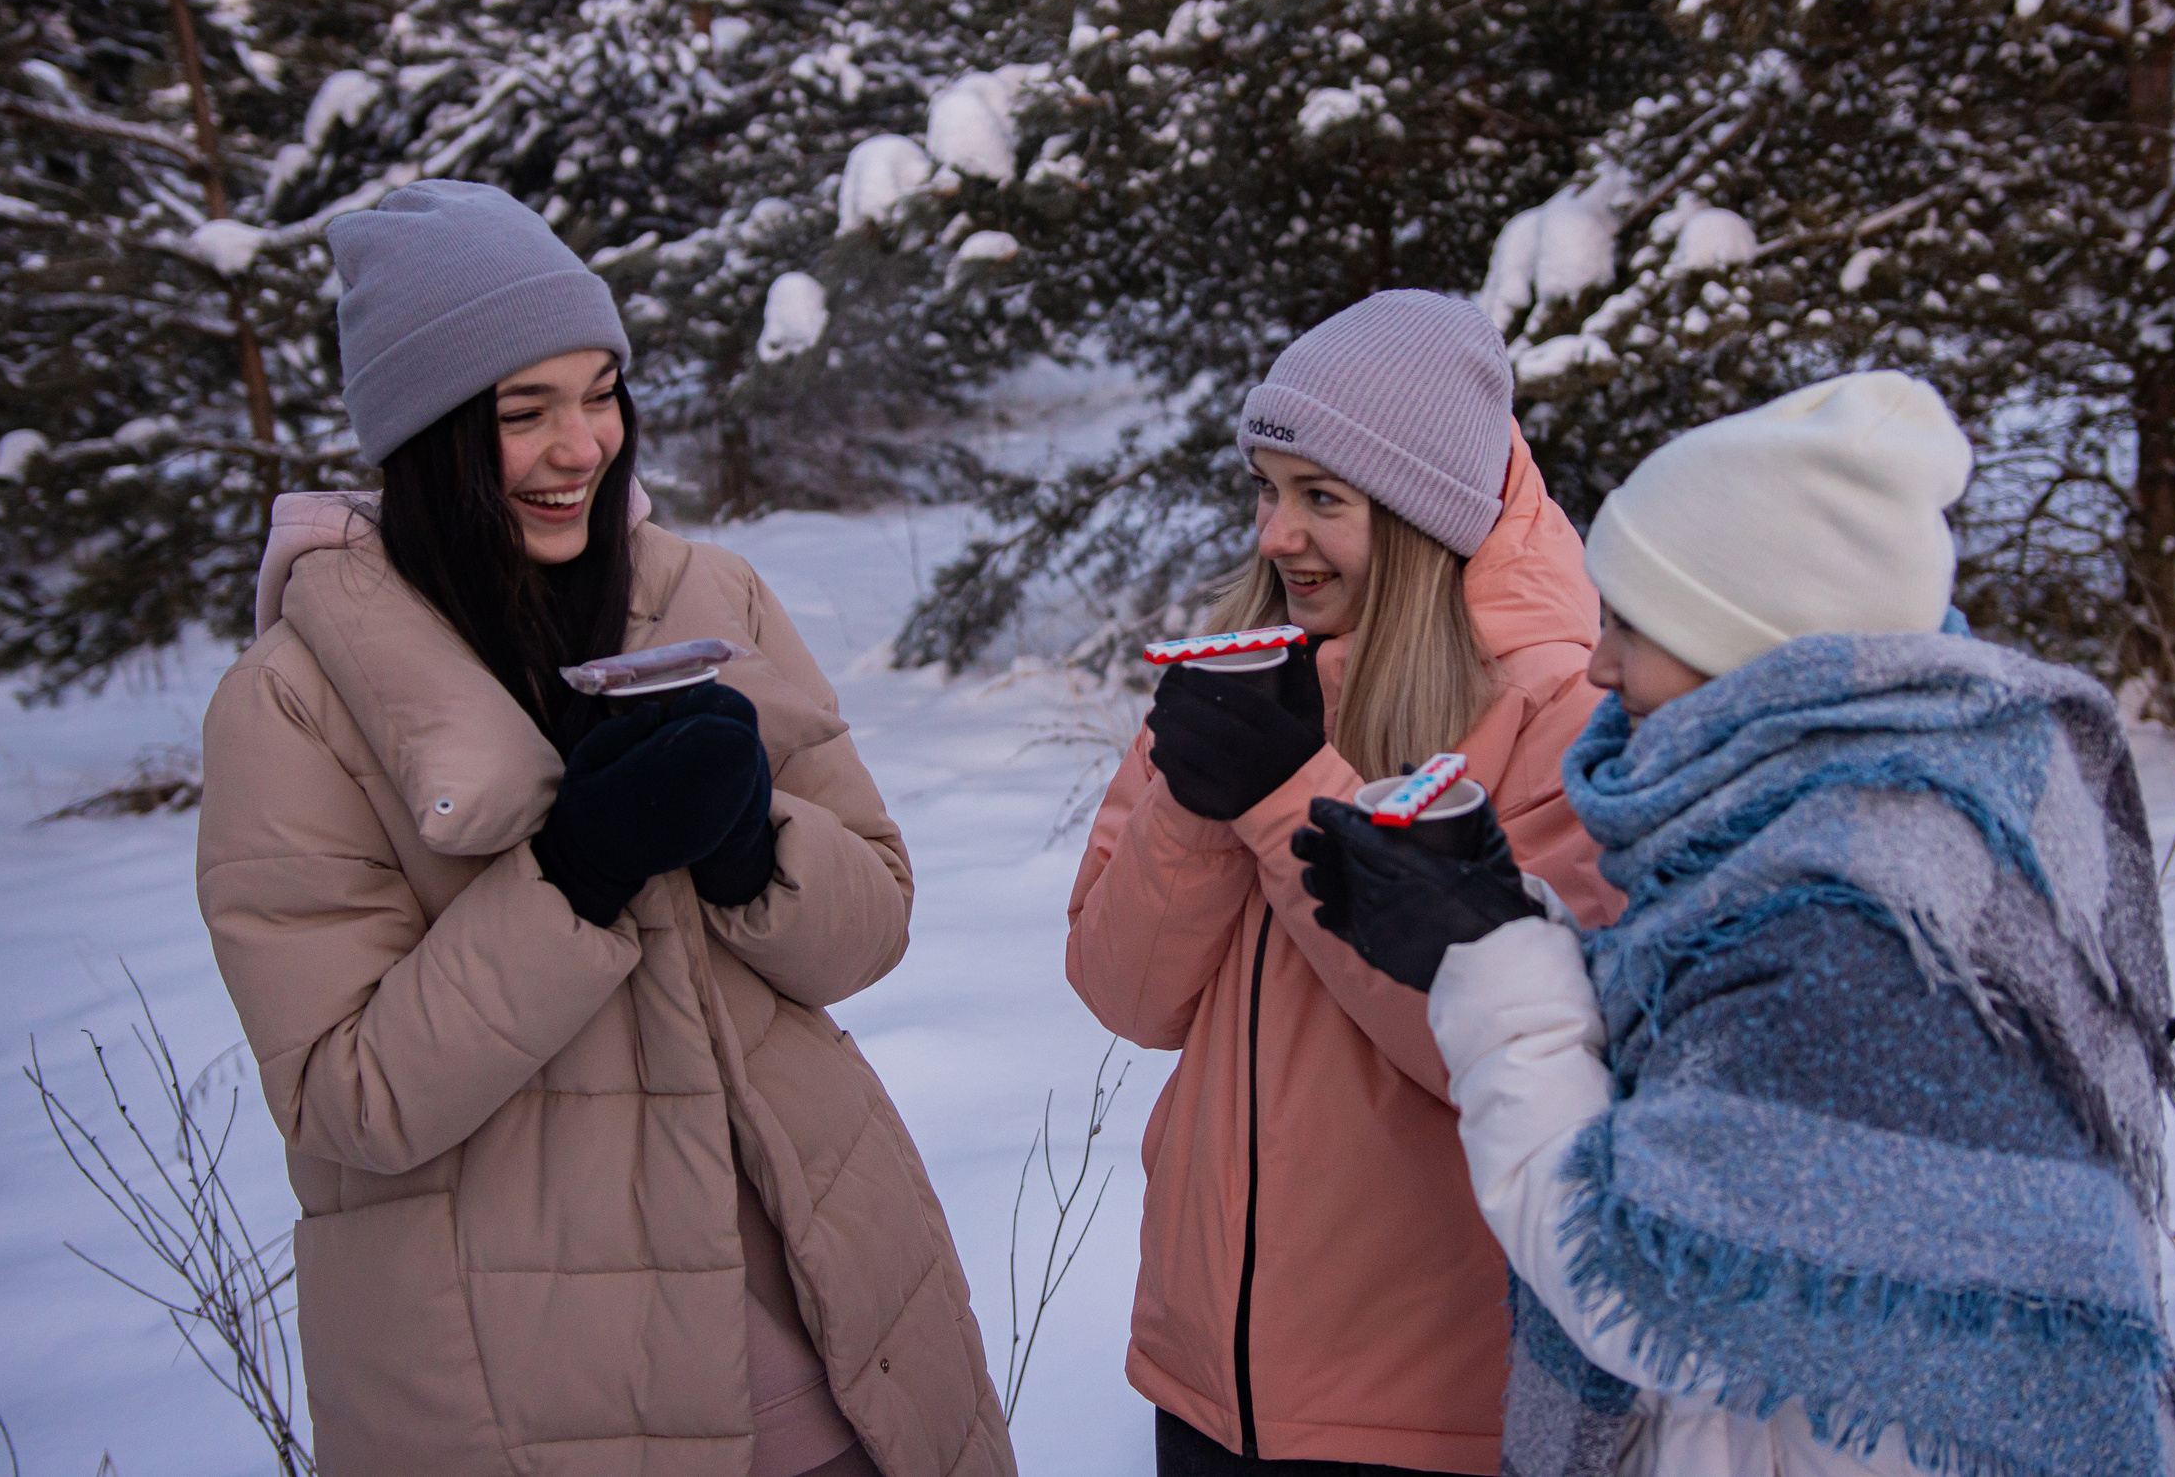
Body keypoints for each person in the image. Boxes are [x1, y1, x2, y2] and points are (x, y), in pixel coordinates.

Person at [196, 181, 1015, 1477]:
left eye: (601, 390)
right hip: (531, 1390)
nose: (582, 443)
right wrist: (573, 873)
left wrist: (753, 842)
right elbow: (349, 1097)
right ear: (428, 436)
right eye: (525, 412)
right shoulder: (294, 705)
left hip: (835, 1338)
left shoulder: (707, 594)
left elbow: (874, 919)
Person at [1296, 372, 2175, 1477]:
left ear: (1757, 646)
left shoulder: (1851, 919)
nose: (1597, 664)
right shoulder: (1871, 808)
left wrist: (1490, 964)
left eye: (1632, 623)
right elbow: (1717, 1082)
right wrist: (1495, 910)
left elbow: (1641, 1282)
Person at [1067, 291, 1623, 1476]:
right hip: (1207, 1380)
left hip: (1429, 1406)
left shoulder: (1555, 715)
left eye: (1323, 499)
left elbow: (1501, 1048)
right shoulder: (1246, 668)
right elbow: (1127, 997)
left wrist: (1282, 798)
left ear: (1423, 519)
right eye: (1267, 491)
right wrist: (1192, 800)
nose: (1275, 536)